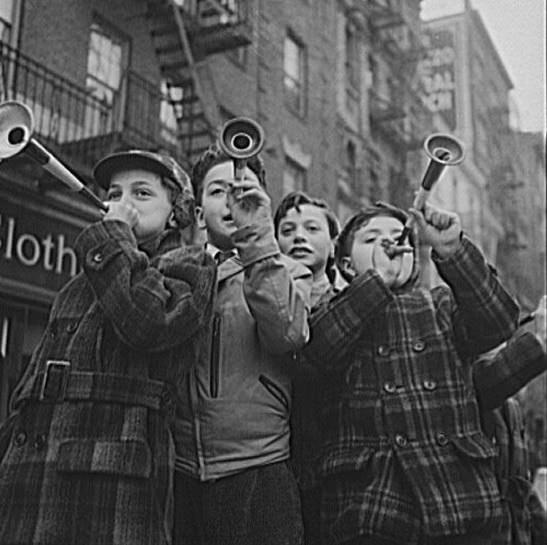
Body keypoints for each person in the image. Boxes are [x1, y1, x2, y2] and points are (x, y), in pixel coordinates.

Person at [0, 150, 216, 545]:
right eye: (115, 192)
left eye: (142, 193)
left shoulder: (191, 264)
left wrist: (115, 235)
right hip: (30, 482)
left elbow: (149, 323)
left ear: (176, 213)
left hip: (108, 488)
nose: (122, 202)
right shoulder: (81, 283)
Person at [303, 201, 520, 545]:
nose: (390, 244)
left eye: (396, 236)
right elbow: (316, 353)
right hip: (370, 508)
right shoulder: (328, 310)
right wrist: (376, 283)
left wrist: (453, 249)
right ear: (345, 264)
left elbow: (499, 322)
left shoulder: (442, 305)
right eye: (372, 239)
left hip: (461, 501)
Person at [172, 144, 312, 544]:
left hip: (259, 469)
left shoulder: (289, 271)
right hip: (181, 469)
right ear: (198, 213)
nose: (233, 198)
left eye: (244, 189)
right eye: (218, 191)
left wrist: (256, 239)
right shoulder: (176, 270)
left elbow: (287, 334)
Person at [274, 190, 341, 545]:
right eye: (287, 230)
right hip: (278, 461)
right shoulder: (262, 303)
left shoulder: (349, 305)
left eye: (312, 228)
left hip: (335, 463)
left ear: (333, 244)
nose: (298, 236)